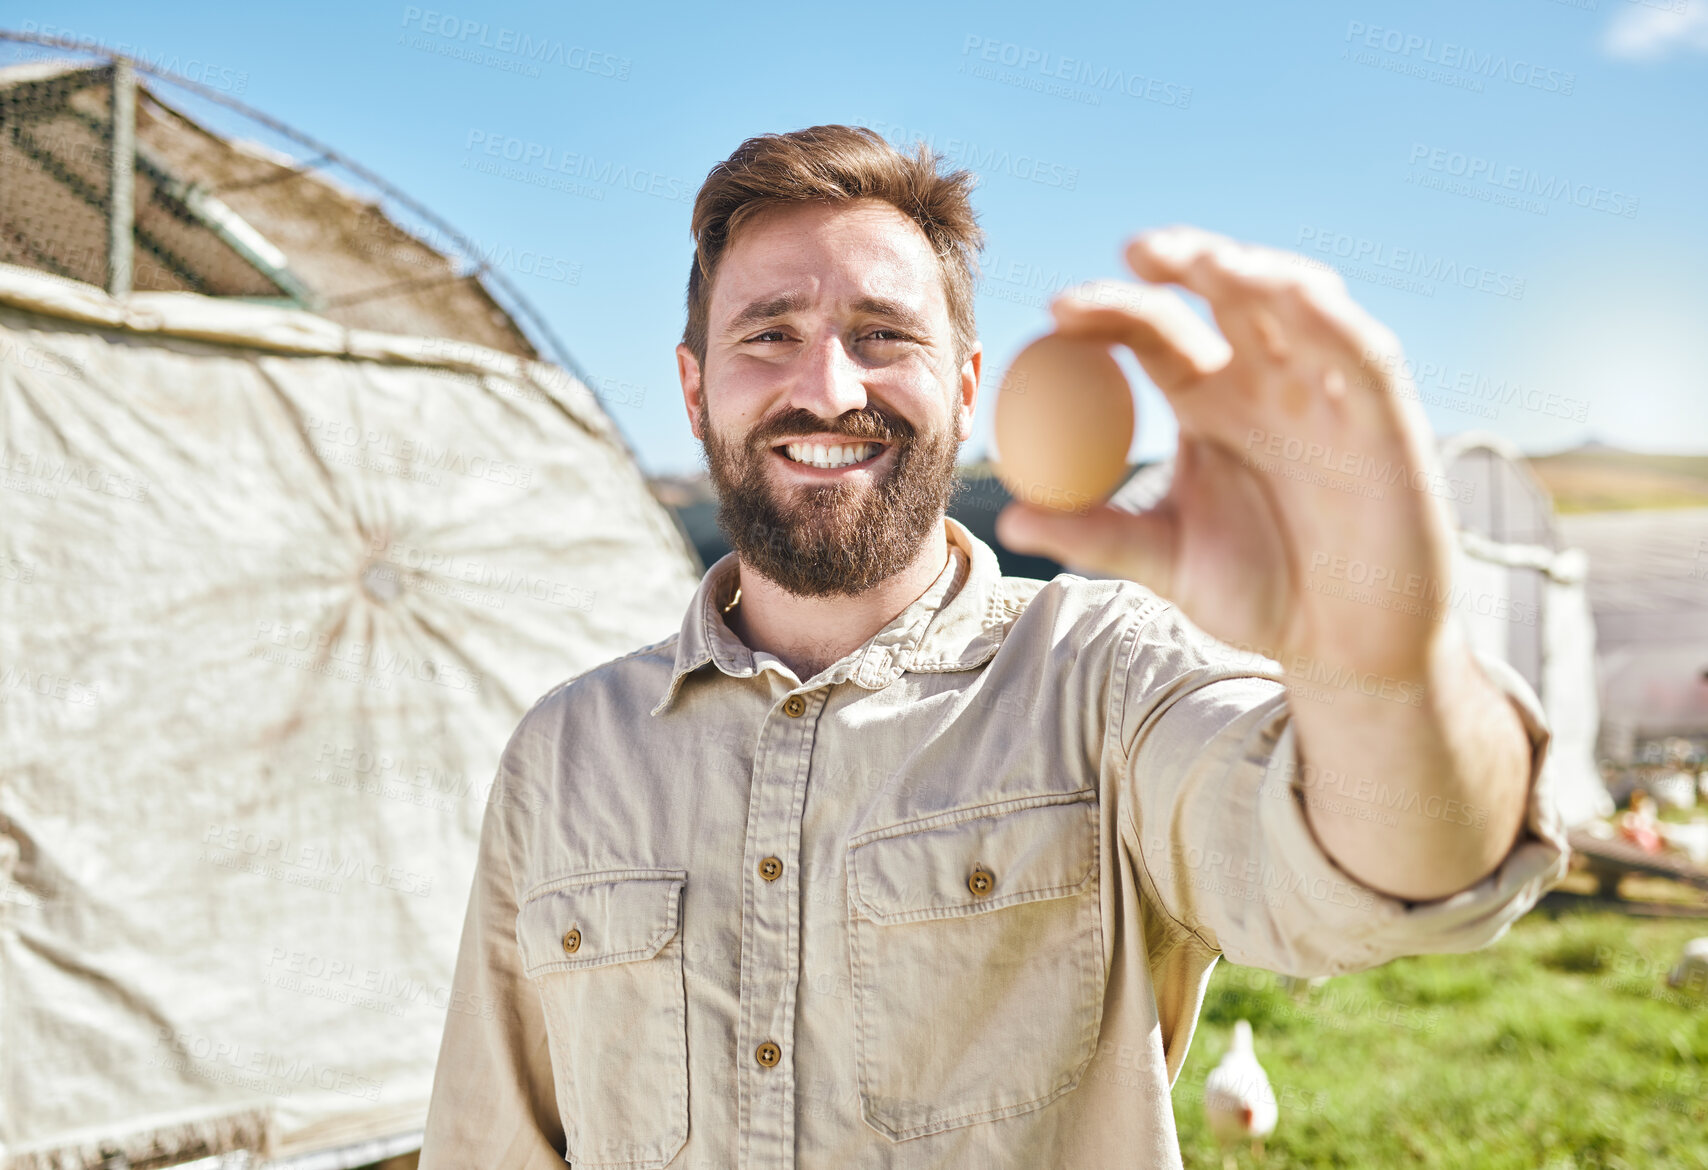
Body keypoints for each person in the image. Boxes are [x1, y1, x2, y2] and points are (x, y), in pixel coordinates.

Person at [418, 124, 1568, 1169]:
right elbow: (494, 1144)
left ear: (966, 388)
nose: (827, 389)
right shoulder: (565, 755)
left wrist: (1382, 672)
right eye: (768, 335)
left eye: (882, 335)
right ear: (694, 387)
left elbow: (1398, 868)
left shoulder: (1102, 679)